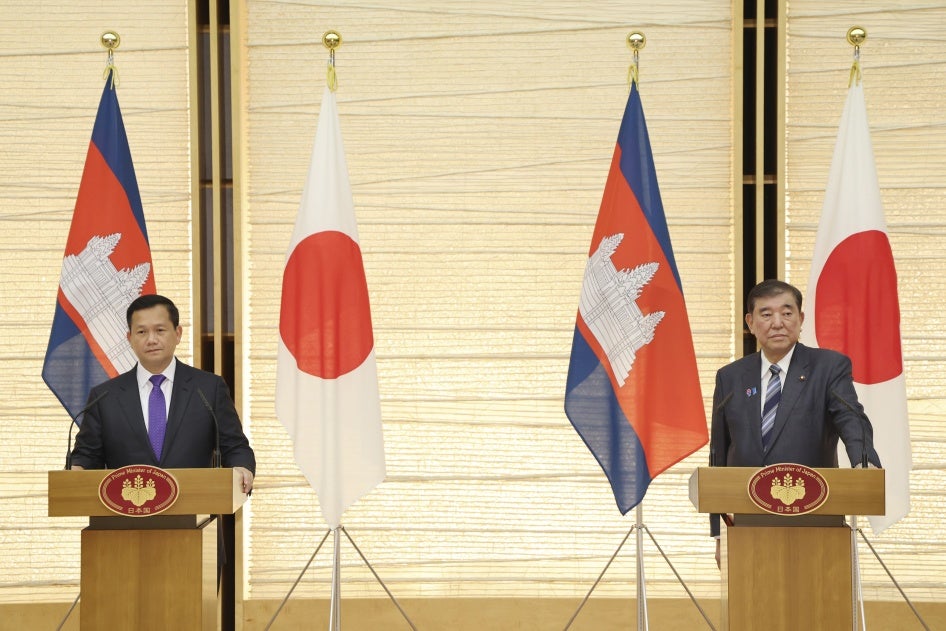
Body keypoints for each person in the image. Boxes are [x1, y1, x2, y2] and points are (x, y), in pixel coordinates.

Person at [709, 279, 880, 563]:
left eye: (787, 313)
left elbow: (850, 416)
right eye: (766, 314)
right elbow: (719, 453)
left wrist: (864, 462)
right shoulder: (730, 377)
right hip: (745, 524)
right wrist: (719, 533)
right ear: (751, 322)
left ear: (800, 319)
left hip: (814, 518)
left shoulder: (828, 367)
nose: (777, 323)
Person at [70, 294, 255, 493]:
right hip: (128, 506)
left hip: (193, 503)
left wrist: (242, 467)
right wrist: (77, 469)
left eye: (160, 330)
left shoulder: (208, 389)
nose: (151, 340)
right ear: (130, 339)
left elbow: (234, 446)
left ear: (178, 333)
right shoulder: (104, 397)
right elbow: (87, 455)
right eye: (142, 332)